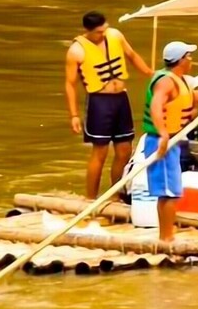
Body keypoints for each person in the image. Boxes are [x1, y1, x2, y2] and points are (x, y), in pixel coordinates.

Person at [143, 41, 198, 242]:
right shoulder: (166, 81)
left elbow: (192, 96)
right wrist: (163, 134)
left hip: (173, 141)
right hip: (162, 141)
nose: (191, 60)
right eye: (188, 56)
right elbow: (156, 104)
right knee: (170, 193)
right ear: (180, 60)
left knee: (170, 192)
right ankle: (166, 238)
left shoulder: (180, 81)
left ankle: (166, 236)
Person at [65, 11, 152, 199]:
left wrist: (148, 72)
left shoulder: (115, 35)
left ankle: (116, 194)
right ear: (88, 31)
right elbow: (70, 84)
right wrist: (73, 114)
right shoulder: (76, 50)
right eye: (99, 32)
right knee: (101, 151)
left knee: (124, 149)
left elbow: (131, 54)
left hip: (121, 98)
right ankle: (91, 199)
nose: (103, 34)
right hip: (99, 102)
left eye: (105, 30)